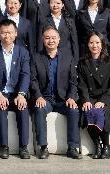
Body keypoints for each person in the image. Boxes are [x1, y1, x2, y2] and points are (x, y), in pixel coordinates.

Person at [29, 26, 81, 159]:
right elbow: (32, 80)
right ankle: (43, 147)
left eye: (53, 38)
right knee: (39, 109)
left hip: (63, 99)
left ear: (59, 39)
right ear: (43, 40)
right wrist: (38, 96)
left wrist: (71, 97)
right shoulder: (36, 57)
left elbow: (73, 81)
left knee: (74, 110)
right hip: (45, 98)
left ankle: (72, 147)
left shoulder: (68, 57)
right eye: (47, 38)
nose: (50, 40)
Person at [0, 19, 32, 159]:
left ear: (16, 33)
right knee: (1, 107)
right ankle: (3, 146)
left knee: (23, 108)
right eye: (4, 32)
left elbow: (25, 74)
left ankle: (23, 147)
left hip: (17, 93)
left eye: (10, 32)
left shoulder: (23, 52)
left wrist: (21, 94)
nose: (7, 36)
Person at [77, 32, 110, 159]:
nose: (94, 45)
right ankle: (97, 145)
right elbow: (82, 84)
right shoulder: (82, 62)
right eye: (91, 42)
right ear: (87, 44)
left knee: (102, 111)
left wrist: (103, 100)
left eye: (97, 42)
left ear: (102, 44)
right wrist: (86, 100)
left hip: (106, 97)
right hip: (90, 97)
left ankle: (106, 146)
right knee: (88, 110)